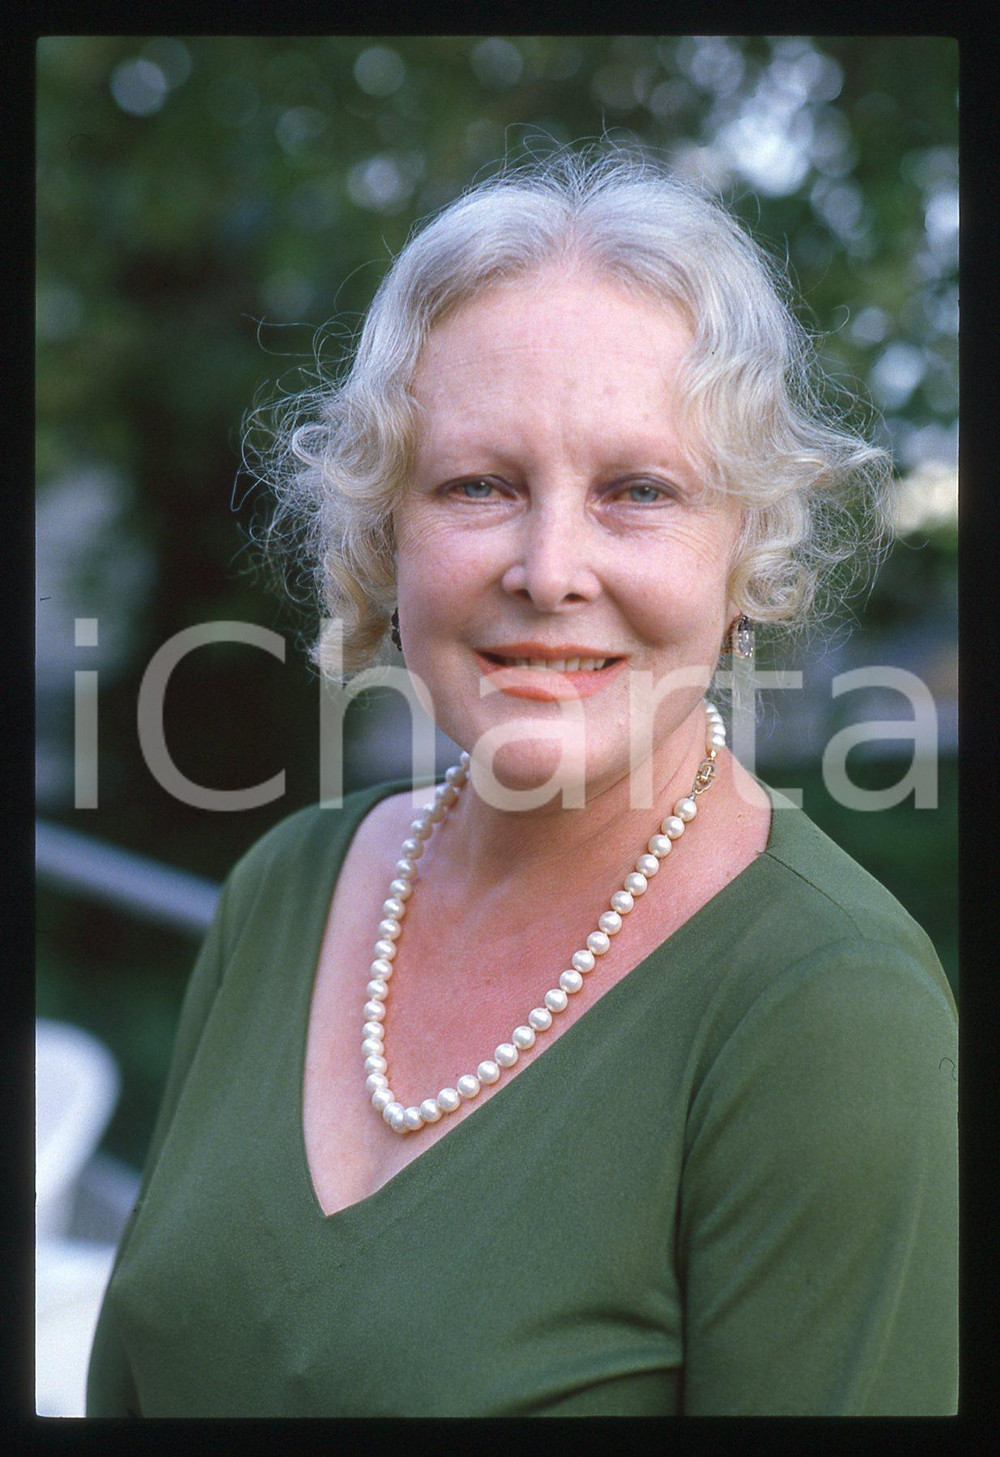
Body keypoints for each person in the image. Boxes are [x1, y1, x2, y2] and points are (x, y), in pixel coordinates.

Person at [86, 149, 957, 1417]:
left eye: (637, 491)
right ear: (388, 539)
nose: (549, 569)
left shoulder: (830, 1013)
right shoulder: (285, 888)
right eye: (478, 484)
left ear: (746, 555)